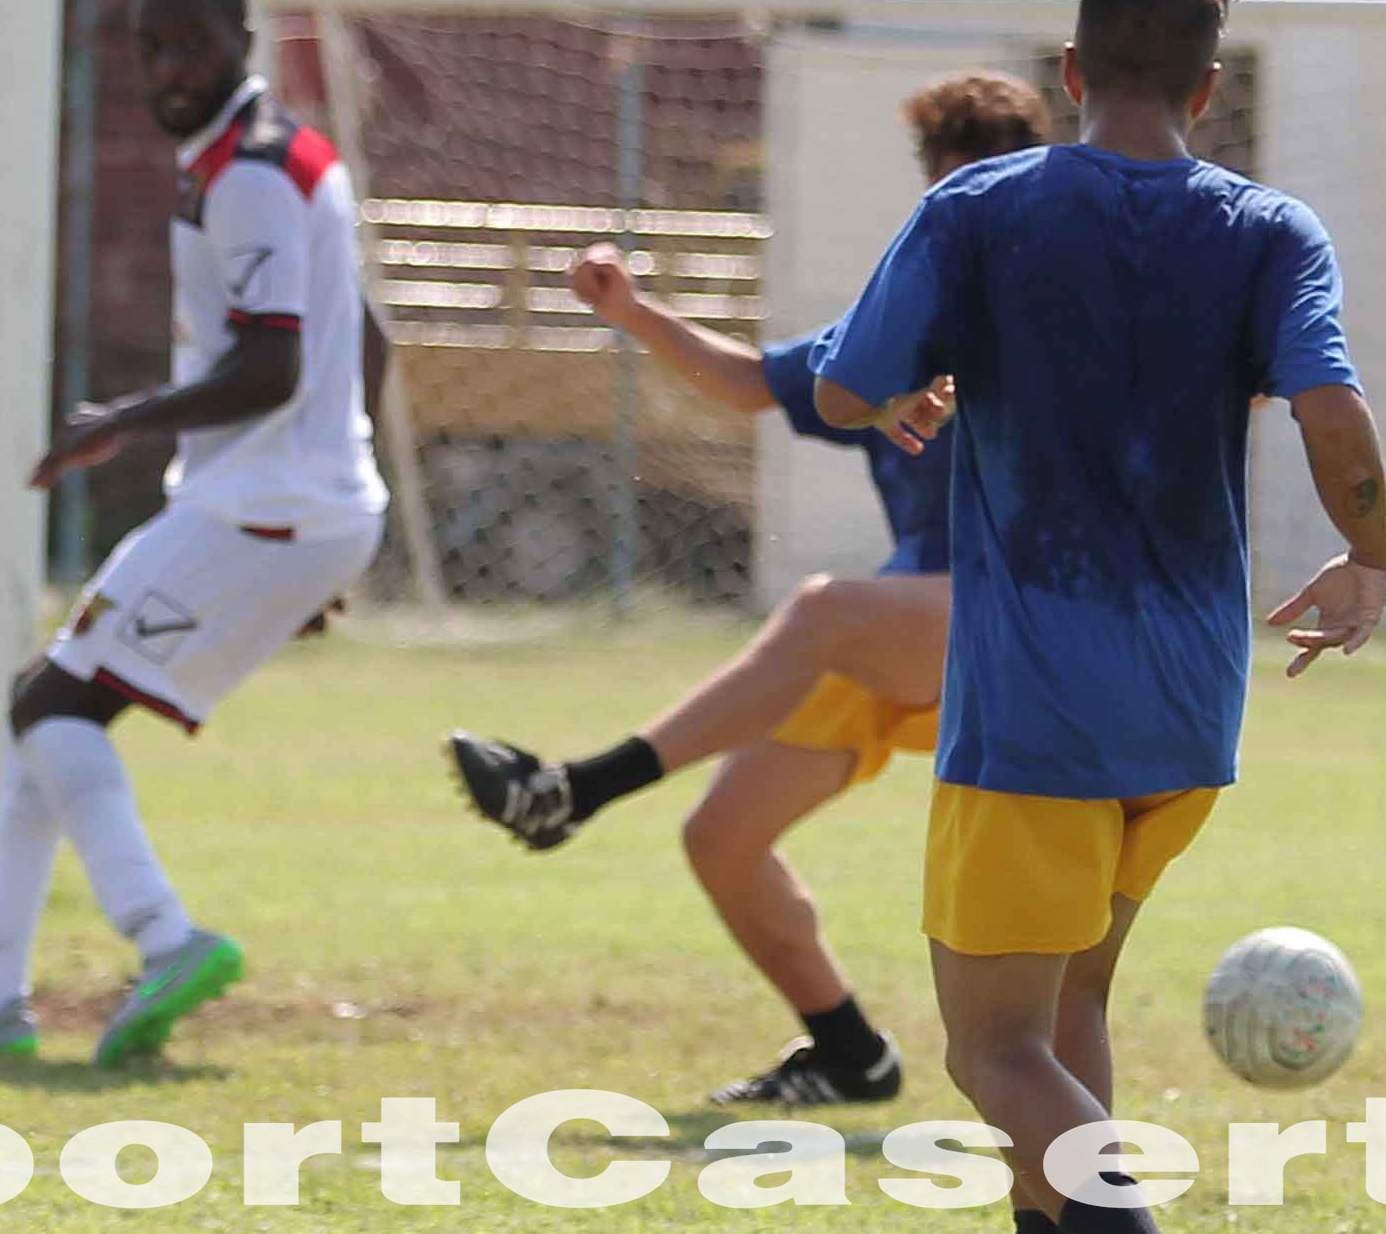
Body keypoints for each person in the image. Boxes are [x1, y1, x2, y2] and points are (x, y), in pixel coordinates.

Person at [806, 0, 1386, 1234]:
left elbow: (846, 383)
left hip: (1034, 709)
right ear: (1208, 87)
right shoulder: (1269, 229)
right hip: (1189, 707)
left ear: (1071, 71)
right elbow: (1330, 402)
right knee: (1068, 1017)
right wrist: (1372, 556)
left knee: (989, 1050)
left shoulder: (984, 208)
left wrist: (913, 385)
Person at [442, 72, 1053, 1107]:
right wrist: (633, 312)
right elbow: (751, 384)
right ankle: (849, 1052)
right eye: (952, 191)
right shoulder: (904, 320)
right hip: (918, 624)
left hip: (1032, 622)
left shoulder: (1063, 319)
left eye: (989, 190)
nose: (969, 215)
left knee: (821, 611)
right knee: (720, 838)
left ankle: (576, 790)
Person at [0, 0, 388, 1069]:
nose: (170, 70)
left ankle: (165, 939)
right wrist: (337, 522)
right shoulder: (287, 152)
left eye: (192, 46)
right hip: (296, 510)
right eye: (151, 48)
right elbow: (370, 343)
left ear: (240, 40)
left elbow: (273, 366)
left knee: (49, 709)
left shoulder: (250, 174)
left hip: (264, 507)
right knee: (49, 708)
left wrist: (118, 423)